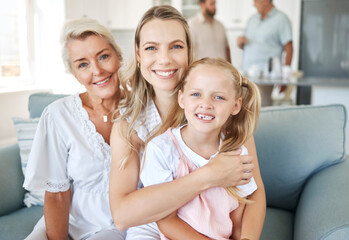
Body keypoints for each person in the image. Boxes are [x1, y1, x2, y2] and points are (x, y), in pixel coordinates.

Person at [109, 5, 266, 239]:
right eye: (151, 48)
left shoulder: (221, 115)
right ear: (139, 54)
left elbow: (254, 192)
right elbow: (122, 215)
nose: (164, 59)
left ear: (189, 51)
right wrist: (209, 175)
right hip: (154, 226)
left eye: (176, 47)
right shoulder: (128, 125)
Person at [23, 18, 127, 240]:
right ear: (74, 73)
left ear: (118, 56)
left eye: (103, 56)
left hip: (118, 225)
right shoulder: (58, 115)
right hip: (70, 221)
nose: (97, 70)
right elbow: (57, 195)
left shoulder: (144, 110)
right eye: (83, 64)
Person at [140, 57, 264, 240]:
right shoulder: (161, 150)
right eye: (196, 94)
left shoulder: (236, 152)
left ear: (235, 106)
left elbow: (239, 214)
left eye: (219, 97)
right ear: (181, 99)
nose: (206, 104)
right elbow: (166, 220)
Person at [237, 0, 293, 106]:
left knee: (261, 110)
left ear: (265, 1)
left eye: (256, 1)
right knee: (243, 111)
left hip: (265, 76)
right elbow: (244, 45)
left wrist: (285, 77)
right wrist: (241, 43)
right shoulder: (252, 20)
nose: (253, 4)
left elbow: (289, 48)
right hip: (246, 73)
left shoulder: (281, 19)